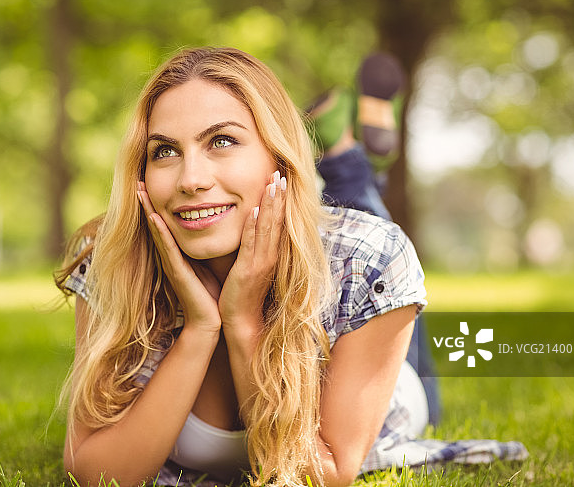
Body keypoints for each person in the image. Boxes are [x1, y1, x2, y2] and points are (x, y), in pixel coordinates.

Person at [55, 47, 526, 487]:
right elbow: (92, 469)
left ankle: (345, 159)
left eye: (221, 141)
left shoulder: (368, 259)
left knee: (370, 232)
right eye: (165, 151)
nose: (191, 179)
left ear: (278, 157)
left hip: (385, 373)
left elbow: (321, 474)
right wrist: (201, 328)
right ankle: (344, 148)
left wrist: (242, 321)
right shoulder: (114, 262)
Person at [305, 52, 440, 426]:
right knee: (386, 272)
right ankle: (349, 162)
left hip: (384, 401)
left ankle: (350, 161)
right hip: (388, 406)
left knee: (382, 268)